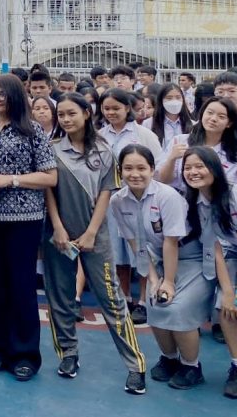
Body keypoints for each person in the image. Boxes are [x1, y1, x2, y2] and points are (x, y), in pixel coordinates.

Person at [43, 93, 147, 394]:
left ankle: (135, 365)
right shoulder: (52, 150)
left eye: (71, 113)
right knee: (60, 299)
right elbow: (50, 193)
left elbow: (105, 194)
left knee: (112, 300)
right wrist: (59, 229)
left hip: (96, 236)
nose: (65, 119)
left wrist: (90, 233)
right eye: (61, 114)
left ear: (87, 114)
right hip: (58, 237)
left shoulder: (104, 149)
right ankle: (68, 354)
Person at [0, 74, 57, 381]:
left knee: (21, 287)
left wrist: (11, 180)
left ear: (15, 97)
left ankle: (26, 355)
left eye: (0, 95)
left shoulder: (32, 131)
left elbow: (49, 177)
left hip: (24, 220)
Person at [110, 144, 212, 390]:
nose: (135, 174)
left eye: (141, 168)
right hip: (156, 259)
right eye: (128, 168)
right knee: (154, 304)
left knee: (177, 308)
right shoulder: (118, 201)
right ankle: (169, 359)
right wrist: (154, 279)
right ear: (120, 171)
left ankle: (192, 366)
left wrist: (168, 281)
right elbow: (136, 244)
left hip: (191, 258)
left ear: (152, 169)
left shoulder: (167, 196)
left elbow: (171, 242)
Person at [181, 146, 237, 398]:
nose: (193, 172)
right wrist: (228, 291)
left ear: (214, 168)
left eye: (199, 166)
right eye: (187, 168)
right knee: (224, 306)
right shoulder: (197, 201)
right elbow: (215, 245)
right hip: (231, 253)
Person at [98, 88, 162, 322]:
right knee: (117, 251)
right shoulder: (99, 136)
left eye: (116, 108)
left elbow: (158, 165)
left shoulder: (144, 135)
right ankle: (123, 296)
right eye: (106, 108)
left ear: (128, 108)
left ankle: (144, 299)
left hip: (141, 199)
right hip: (111, 200)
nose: (111, 112)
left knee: (142, 249)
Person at [145, 83, 194, 153]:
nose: (174, 101)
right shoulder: (149, 124)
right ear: (161, 100)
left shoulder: (193, 125)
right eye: (169, 98)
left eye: (178, 97)